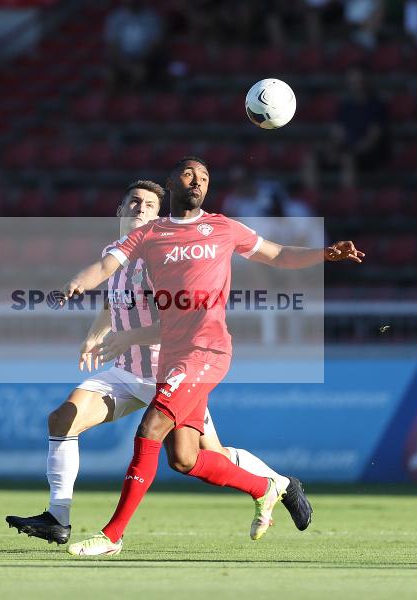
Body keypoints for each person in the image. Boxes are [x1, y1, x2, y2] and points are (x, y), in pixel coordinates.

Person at [62, 157, 362, 556]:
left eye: (204, 177)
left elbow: (278, 255)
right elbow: (106, 265)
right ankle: (266, 486)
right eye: (189, 174)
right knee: (185, 459)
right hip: (172, 352)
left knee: (150, 428)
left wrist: (325, 254)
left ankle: (112, 535)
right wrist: (76, 283)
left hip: (208, 348)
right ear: (171, 183)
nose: (197, 181)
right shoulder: (150, 234)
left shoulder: (224, 227)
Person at [5, 180, 311, 546]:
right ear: (119, 210)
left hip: (172, 370)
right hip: (125, 371)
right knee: (63, 417)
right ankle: (58, 517)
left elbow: (181, 321)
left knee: (203, 457)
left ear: (159, 216)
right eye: (133, 202)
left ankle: (281, 484)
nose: (140, 209)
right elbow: (115, 302)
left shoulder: (165, 253)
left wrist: (128, 336)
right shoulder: (115, 253)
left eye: (150, 205)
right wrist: (95, 334)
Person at [103, 0, 166, 88]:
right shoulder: (115, 18)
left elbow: (155, 44)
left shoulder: (151, 17)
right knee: (109, 75)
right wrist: (123, 63)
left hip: (145, 60)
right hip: (121, 60)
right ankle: (112, 100)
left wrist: (139, 61)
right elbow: (112, 44)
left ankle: (133, 98)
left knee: (139, 72)